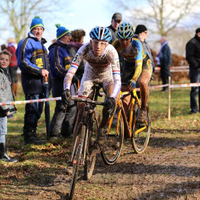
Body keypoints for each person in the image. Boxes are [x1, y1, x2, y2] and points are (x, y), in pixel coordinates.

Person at [16, 16, 49, 145]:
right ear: (32, 29)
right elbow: (23, 62)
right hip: (31, 83)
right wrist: (39, 71)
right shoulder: (26, 42)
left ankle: (32, 133)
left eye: (41, 29)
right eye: (36, 28)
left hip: (42, 84)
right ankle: (28, 137)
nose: (39, 31)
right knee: (32, 109)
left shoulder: (42, 44)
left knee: (38, 110)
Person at [113, 22, 152, 123]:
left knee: (143, 82)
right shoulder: (116, 45)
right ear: (118, 38)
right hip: (129, 65)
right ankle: (125, 127)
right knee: (125, 97)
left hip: (143, 63)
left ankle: (143, 109)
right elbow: (110, 61)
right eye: (122, 39)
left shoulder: (136, 43)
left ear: (131, 37)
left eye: (127, 39)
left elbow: (138, 66)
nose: (124, 42)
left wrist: (134, 79)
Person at [48, 24, 77, 139]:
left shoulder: (67, 49)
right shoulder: (55, 49)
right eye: (67, 36)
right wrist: (68, 75)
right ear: (61, 36)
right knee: (61, 108)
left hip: (70, 85)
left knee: (72, 107)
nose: (70, 38)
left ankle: (66, 132)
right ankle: (54, 134)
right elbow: (56, 68)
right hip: (59, 84)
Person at [0, 49, 17, 162]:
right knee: (2, 130)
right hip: (1, 107)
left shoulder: (6, 73)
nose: (3, 61)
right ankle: (3, 154)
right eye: (1, 59)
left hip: (3, 106)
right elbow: (0, 93)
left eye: (6, 60)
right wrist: (6, 109)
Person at [186, 28, 200, 114]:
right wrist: (197, 66)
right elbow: (189, 56)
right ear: (198, 34)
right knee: (195, 90)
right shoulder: (191, 43)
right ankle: (194, 109)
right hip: (196, 70)